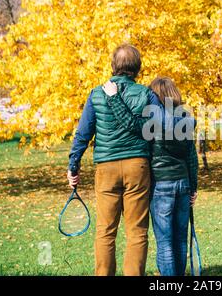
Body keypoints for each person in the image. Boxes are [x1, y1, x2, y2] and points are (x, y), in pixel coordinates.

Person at [67, 44, 161, 276]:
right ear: (137, 68)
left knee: (105, 230)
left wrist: (73, 165)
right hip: (137, 167)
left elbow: (83, 134)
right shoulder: (147, 94)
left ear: (113, 66)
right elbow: (157, 129)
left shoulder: (97, 93)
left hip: (106, 167)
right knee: (137, 231)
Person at [103, 76, 198, 276]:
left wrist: (114, 98)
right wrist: (193, 187)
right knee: (180, 238)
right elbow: (191, 157)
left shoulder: (152, 122)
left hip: (160, 185)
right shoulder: (186, 120)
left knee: (165, 242)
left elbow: (130, 124)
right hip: (182, 183)